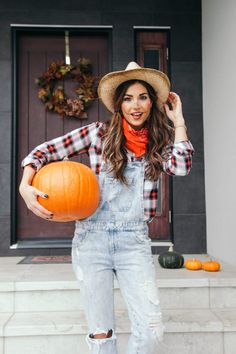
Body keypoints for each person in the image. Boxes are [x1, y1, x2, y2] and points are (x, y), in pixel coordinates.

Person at [19, 61, 194, 354]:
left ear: (152, 102)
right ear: (118, 104)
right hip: (91, 242)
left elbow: (182, 166)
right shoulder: (96, 134)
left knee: (151, 330)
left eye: (142, 97)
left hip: (134, 243)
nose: (135, 105)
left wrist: (178, 121)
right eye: (127, 98)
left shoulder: (160, 141)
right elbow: (42, 152)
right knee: (101, 336)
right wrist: (25, 186)